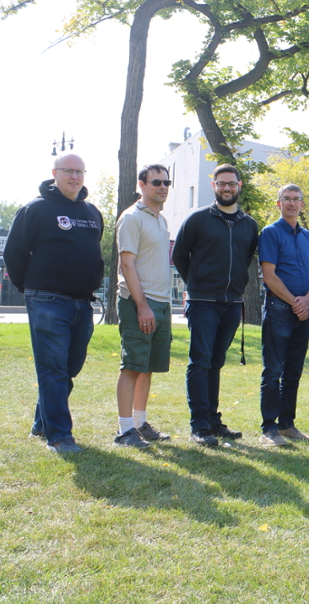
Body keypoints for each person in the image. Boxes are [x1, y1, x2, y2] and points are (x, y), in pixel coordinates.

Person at [4, 154, 104, 453]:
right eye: (68, 171)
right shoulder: (35, 209)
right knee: (53, 369)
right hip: (47, 300)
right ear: (55, 173)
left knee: (69, 367)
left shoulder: (91, 212)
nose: (74, 177)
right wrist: (32, 287)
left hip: (81, 304)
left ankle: (42, 421)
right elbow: (14, 252)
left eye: (79, 171)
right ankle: (59, 436)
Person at [172, 164, 259, 447]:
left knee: (215, 362)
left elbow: (245, 259)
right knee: (200, 361)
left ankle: (212, 419)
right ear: (213, 186)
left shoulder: (249, 224)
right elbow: (180, 256)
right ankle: (199, 425)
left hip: (232, 304)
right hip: (202, 302)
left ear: (239, 186)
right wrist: (196, 283)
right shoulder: (197, 219)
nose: (226, 188)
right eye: (221, 183)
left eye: (231, 183)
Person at [113, 164, 174, 449]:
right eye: (156, 182)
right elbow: (127, 264)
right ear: (142, 185)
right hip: (139, 303)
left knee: (147, 366)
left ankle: (139, 423)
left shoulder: (160, 220)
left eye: (166, 182)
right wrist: (142, 306)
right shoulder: (132, 218)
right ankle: (125, 431)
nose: (163, 187)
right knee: (132, 366)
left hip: (161, 304)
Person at [257, 184, 309, 447]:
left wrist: (307, 299)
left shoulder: (307, 237)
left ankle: (287, 424)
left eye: (296, 199)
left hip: (302, 312)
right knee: (273, 370)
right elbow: (269, 275)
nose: (292, 203)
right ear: (278, 203)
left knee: (293, 371)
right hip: (279, 310)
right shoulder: (270, 233)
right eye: (287, 199)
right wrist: (294, 301)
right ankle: (269, 427)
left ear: (302, 205)